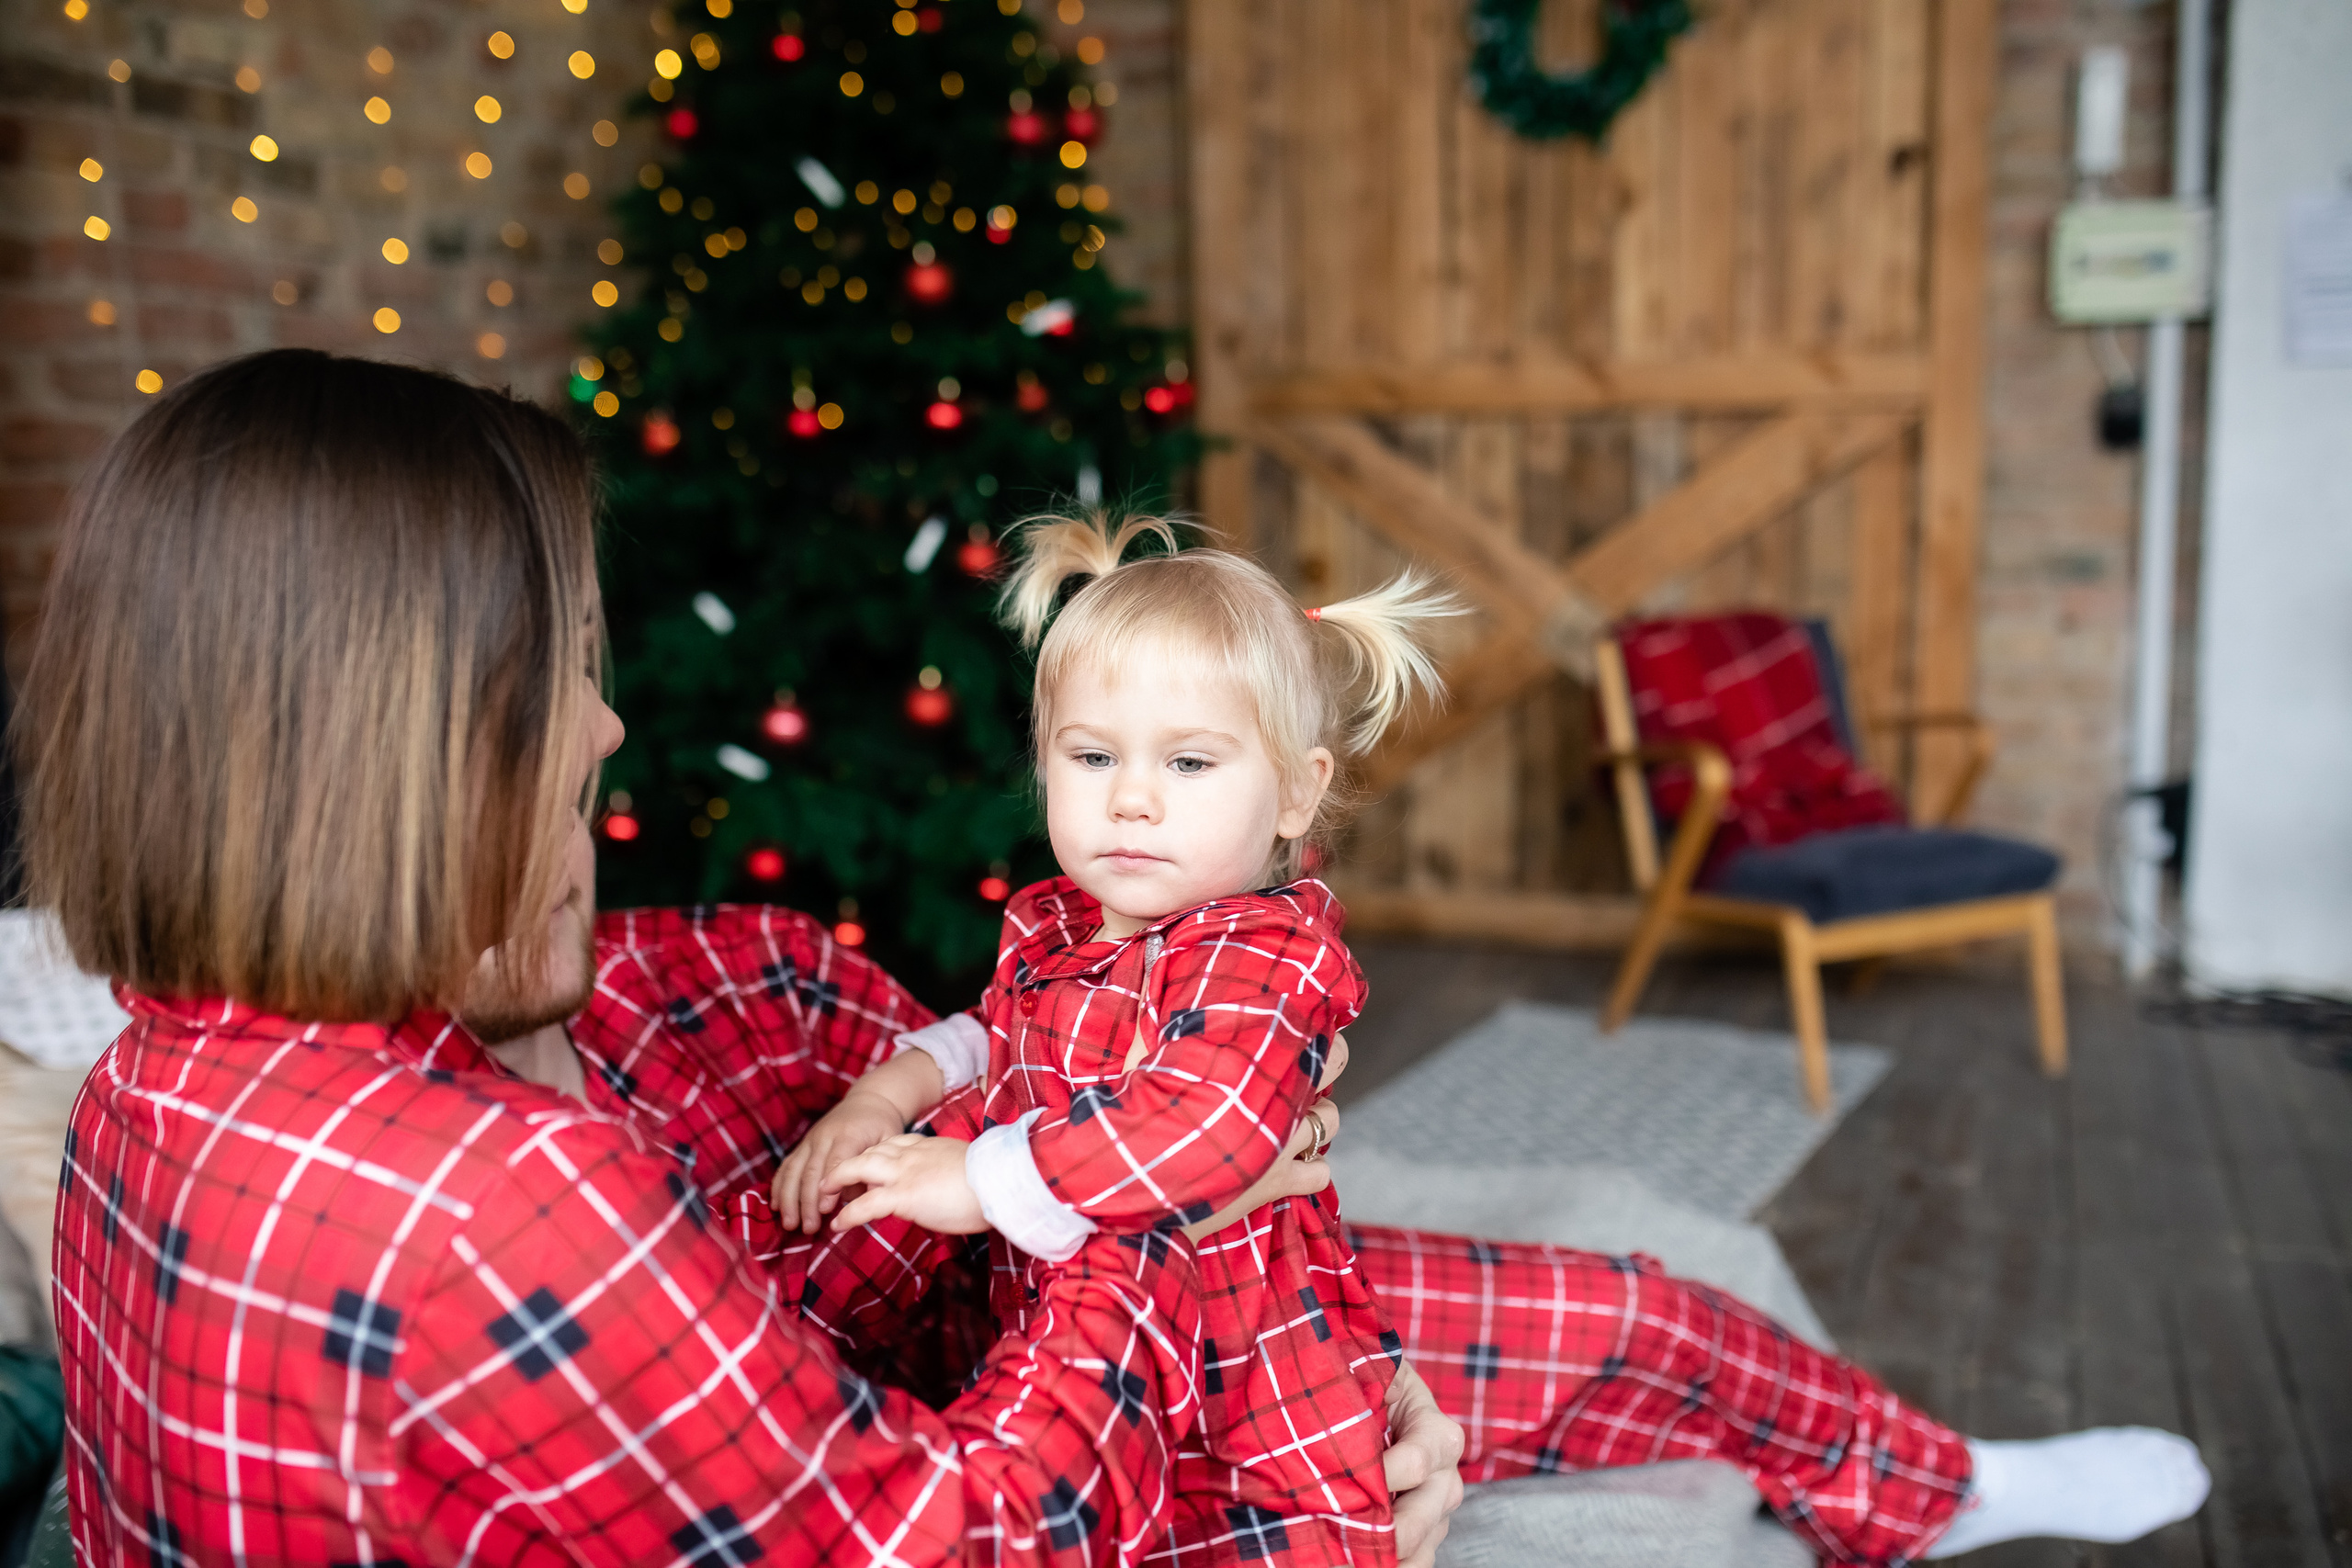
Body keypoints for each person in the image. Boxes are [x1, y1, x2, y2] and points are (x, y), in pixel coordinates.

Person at [23, 352, 2208, 1567]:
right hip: (1123, 1327)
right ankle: (1899, 1487)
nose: (608, 729)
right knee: (1536, 1350)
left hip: (1058, 1266)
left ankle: (1930, 1479)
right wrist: (1103, 1204)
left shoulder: (154, 1082)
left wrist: (930, 1113)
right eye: (570, 678)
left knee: (1630, 1302)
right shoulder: (480, 1199)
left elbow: (865, 1011)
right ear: (382, 747)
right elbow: (943, 1526)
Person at [768, 516, 1456, 1568]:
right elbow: (993, 1034)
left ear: (1296, 793)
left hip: (1243, 1359)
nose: (1130, 798)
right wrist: (881, 1098)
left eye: (1187, 762)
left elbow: (1204, 1121)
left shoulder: (1264, 953)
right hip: (1079, 1331)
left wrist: (982, 1179)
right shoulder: (1055, 924)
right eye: (1091, 755)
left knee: (1267, 1534)